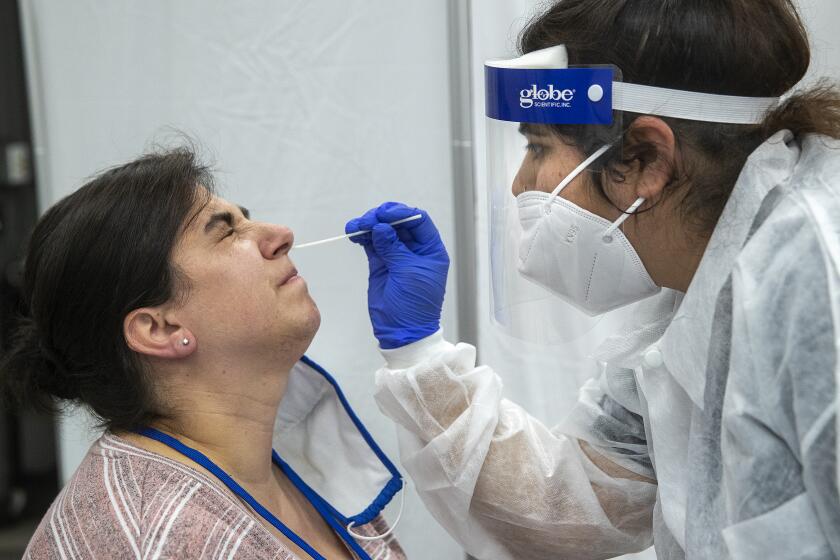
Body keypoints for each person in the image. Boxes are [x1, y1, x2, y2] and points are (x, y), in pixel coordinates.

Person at [345, 0, 840, 558]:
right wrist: (419, 357)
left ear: (648, 159)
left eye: (537, 147)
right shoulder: (690, 288)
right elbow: (574, 503)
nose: (518, 185)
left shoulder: (817, 278)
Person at [0, 147, 406, 560]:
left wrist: (421, 350)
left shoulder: (285, 465)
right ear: (160, 329)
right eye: (227, 232)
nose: (281, 235)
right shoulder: (159, 538)